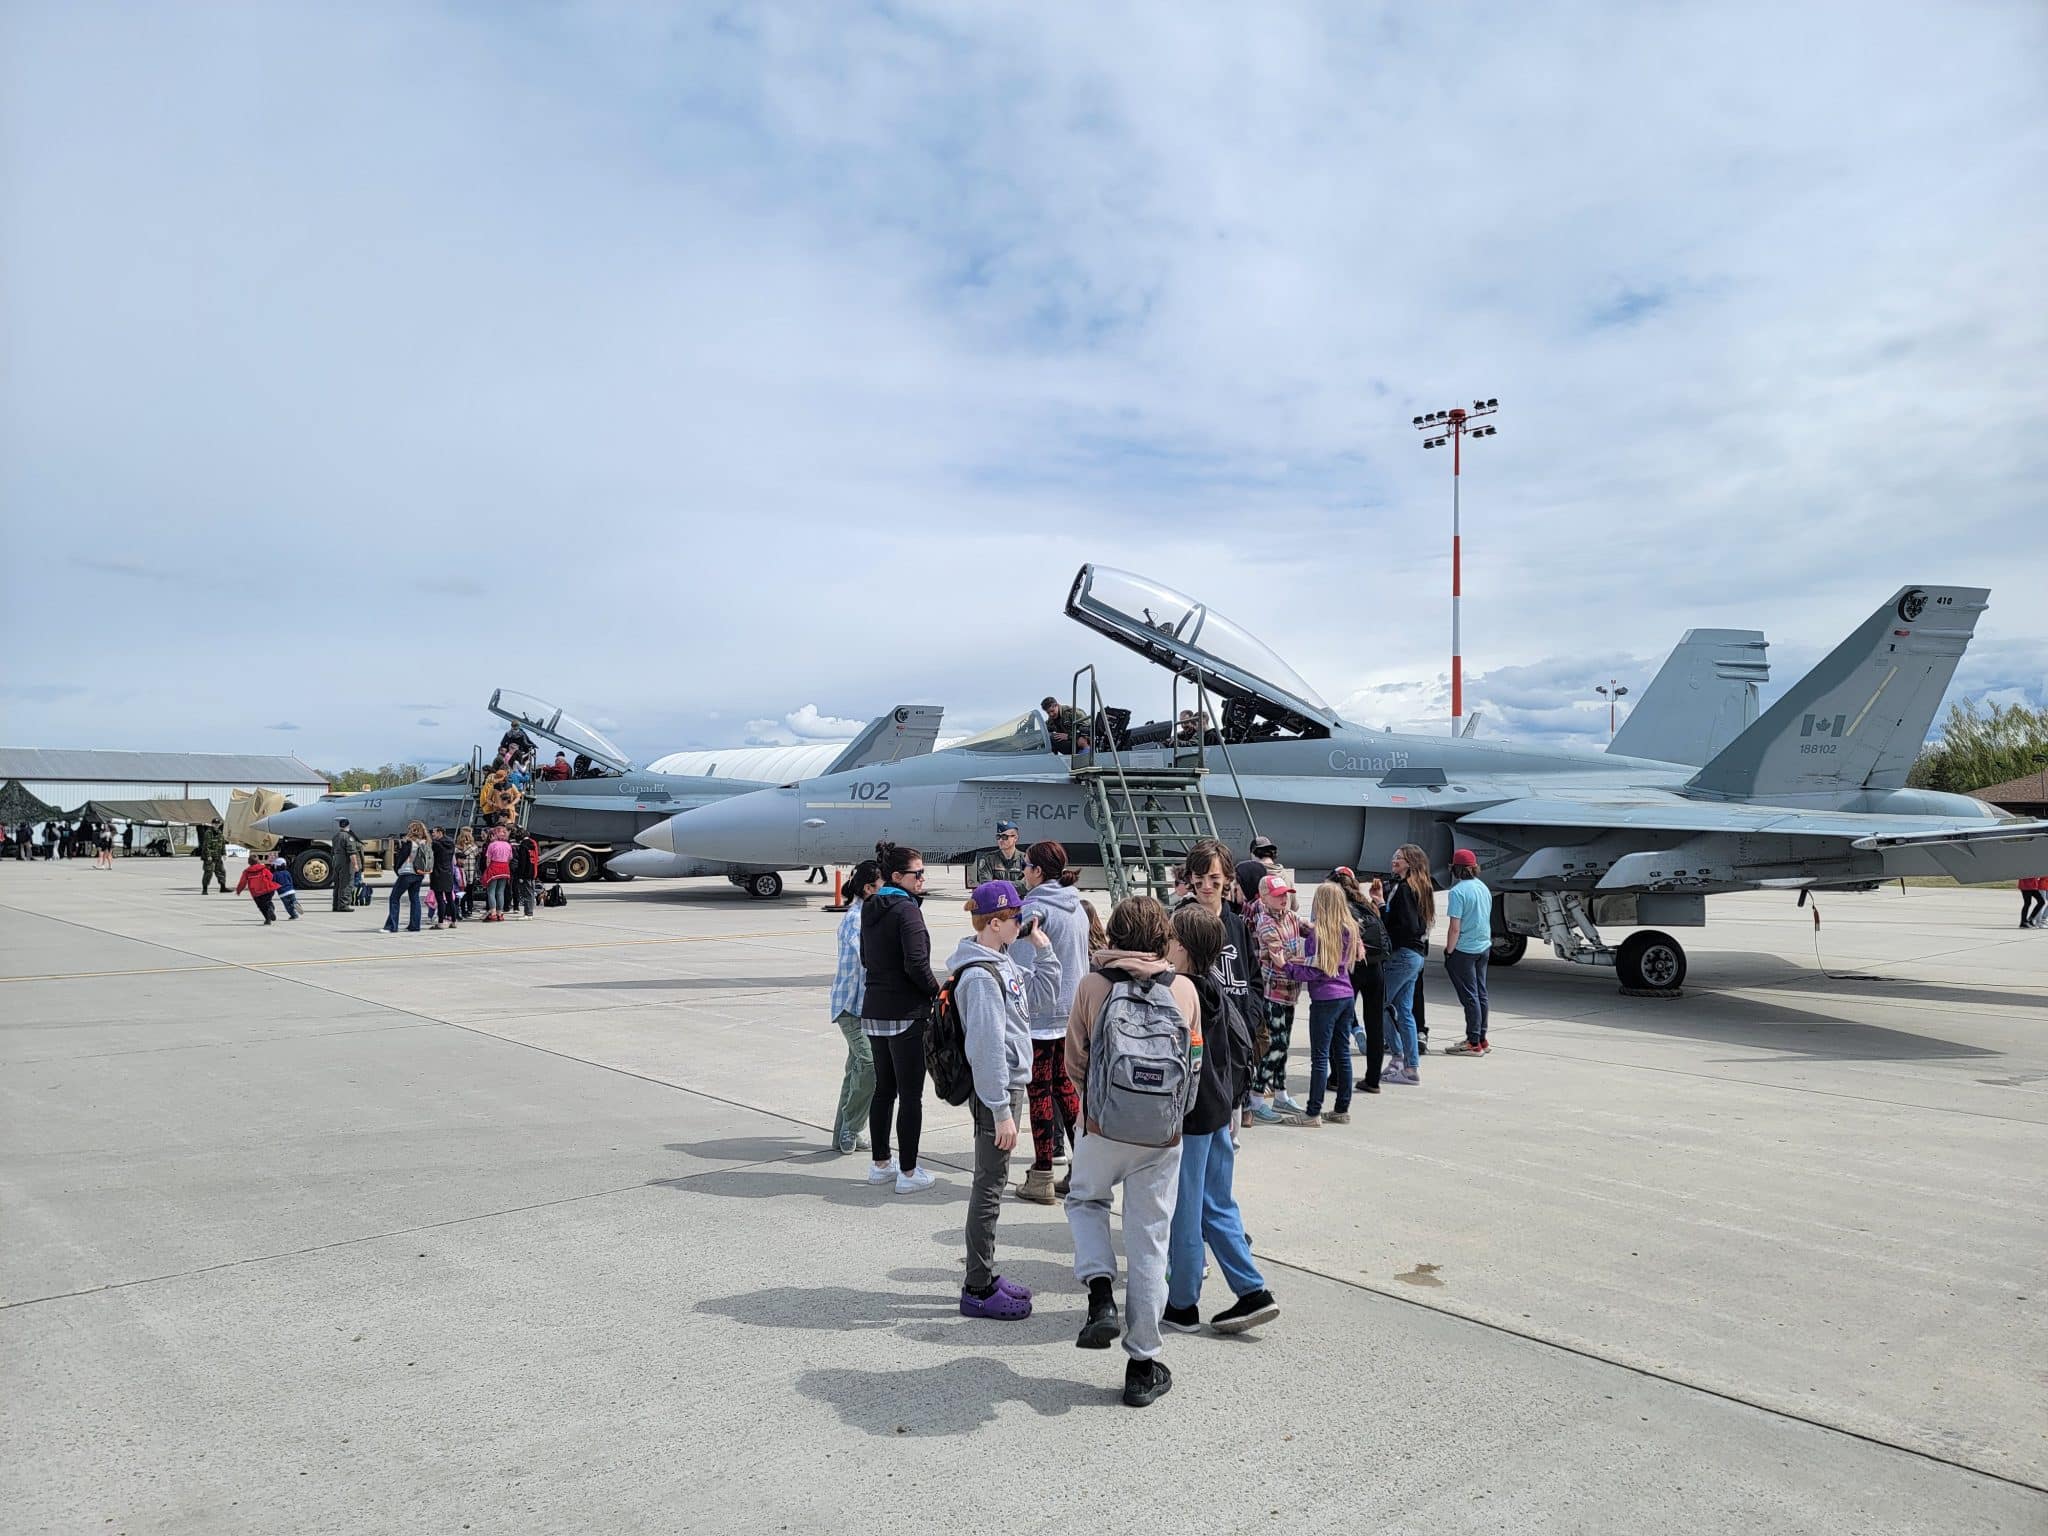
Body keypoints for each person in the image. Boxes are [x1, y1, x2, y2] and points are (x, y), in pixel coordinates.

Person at [1064, 895, 1201, 1408]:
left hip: (1101, 1126)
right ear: (1163, 938)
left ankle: (1100, 1293)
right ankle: (1142, 1366)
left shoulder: (1092, 985)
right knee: (1148, 1241)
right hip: (1160, 1136)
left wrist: (1098, 1106)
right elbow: (1194, 1062)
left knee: (1086, 1202)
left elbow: (1074, 1060)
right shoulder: (1183, 989)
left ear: (1114, 935)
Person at [1160, 903, 1279, 1337]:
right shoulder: (1216, 988)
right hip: (1219, 1110)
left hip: (1192, 1117)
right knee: (1218, 1203)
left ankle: (1182, 1304)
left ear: (1183, 947)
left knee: (1185, 1211)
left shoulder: (1179, 991)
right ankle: (1252, 1289)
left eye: (1171, 938)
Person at [947, 879, 1060, 1320]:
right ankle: (977, 1286)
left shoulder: (1003, 961)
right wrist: (1000, 1111)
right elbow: (987, 1048)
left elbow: (1042, 997)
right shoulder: (980, 977)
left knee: (992, 1185)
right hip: (997, 1091)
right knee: (989, 1188)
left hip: (1008, 1087)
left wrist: (1044, 952)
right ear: (994, 923)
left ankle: (986, 1274)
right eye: (1015, 917)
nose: (1021, 923)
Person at [860, 842, 941, 1193]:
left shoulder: (870, 907)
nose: (922, 879)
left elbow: (866, 958)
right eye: (917, 873)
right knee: (910, 1095)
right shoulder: (907, 911)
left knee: (884, 1090)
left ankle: (881, 1164)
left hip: (875, 1010)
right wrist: (937, 993)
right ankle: (908, 1172)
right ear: (897, 876)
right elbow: (916, 963)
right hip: (906, 1012)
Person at [1010, 840, 1087, 1203]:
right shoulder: (1077, 905)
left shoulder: (1034, 909)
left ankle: (1042, 1173)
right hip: (1071, 1012)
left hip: (1041, 1016)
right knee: (1066, 1089)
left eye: (1025, 865)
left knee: (1039, 1092)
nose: (1022, 871)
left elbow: (1021, 967)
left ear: (1038, 871)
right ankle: (1082, 1168)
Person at [1278, 882, 1362, 1126]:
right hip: (1346, 995)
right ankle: (1341, 1108)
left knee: (1320, 1057)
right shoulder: (1350, 929)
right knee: (1342, 1053)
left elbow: (1314, 972)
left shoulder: (1319, 935)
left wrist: (1286, 966)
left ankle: (1312, 1112)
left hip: (1325, 998)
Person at [828, 860, 882, 1154]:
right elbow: (868, 958)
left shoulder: (867, 915)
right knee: (869, 1065)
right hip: (850, 1007)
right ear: (869, 888)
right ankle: (852, 1127)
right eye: (883, 886)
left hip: (863, 1008)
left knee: (855, 1070)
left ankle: (842, 1134)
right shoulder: (856, 919)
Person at [1247, 873, 1307, 1123]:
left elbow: (1307, 928)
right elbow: (1280, 957)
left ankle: (1281, 1094)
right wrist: (1311, 963)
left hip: (1291, 991)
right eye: (1278, 895)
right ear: (1264, 897)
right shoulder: (1266, 923)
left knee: (1284, 1045)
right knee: (1276, 1045)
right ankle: (1256, 1098)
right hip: (1274, 992)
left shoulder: (1290, 917)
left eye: (1285, 895)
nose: (1284, 899)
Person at [1330, 868, 1388, 1093]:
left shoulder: (1339, 907)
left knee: (1340, 1023)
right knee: (1375, 1025)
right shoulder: (1368, 906)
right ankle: (1373, 1080)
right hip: (1375, 968)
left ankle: (1337, 1077)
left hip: (1351, 969)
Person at [1383, 843, 1435, 1085]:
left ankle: (1398, 1056)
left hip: (1403, 955)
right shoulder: (1420, 887)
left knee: (1379, 1005)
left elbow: (1408, 925)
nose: (1394, 860)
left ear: (1410, 863)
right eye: (1394, 856)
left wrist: (1381, 911)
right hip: (1415, 956)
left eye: (1400, 858)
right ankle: (1411, 1068)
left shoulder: (1405, 889)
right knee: (1404, 1011)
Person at [1441, 848, 1494, 1054]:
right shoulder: (1483, 887)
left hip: (1464, 949)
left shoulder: (1457, 892)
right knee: (1481, 994)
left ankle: (1473, 1042)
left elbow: (1455, 927)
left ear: (1455, 869)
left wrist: (1449, 951)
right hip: (1483, 947)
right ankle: (1481, 1038)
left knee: (1469, 996)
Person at [384, 821, 429, 933]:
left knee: (394, 898)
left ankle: (392, 926)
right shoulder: (425, 843)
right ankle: (415, 925)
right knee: (415, 899)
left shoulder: (409, 843)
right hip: (419, 874)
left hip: (407, 872)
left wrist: (397, 869)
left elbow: (401, 857)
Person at [972, 821, 1028, 888]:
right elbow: (987, 886)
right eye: (998, 836)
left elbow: (1027, 885)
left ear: (1015, 838)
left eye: (1004, 837)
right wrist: (1014, 885)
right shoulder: (988, 859)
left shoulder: (1025, 859)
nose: (1000, 840)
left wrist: (1000, 884)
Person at [233, 851, 280, 924]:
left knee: (261, 906)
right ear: (258, 861)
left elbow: (242, 882)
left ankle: (268, 919)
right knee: (268, 902)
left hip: (256, 892)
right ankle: (271, 909)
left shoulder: (247, 872)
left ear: (249, 862)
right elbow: (270, 876)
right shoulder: (264, 868)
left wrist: (238, 890)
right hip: (268, 889)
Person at [427, 826, 458, 929]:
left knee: (440, 899)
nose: (432, 834)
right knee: (450, 898)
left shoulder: (436, 844)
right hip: (448, 872)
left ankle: (441, 922)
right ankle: (454, 921)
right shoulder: (451, 843)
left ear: (440, 832)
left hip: (438, 873)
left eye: (434, 832)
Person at [482, 827, 514, 922]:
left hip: (494, 866)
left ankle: (493, 913)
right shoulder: (508, 845)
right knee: (500, 891)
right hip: (505, 867)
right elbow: (510, 858)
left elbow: (488, 860)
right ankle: (500, 913)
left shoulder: (492, 845)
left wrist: (487, 869)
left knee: (491, 891)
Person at [330, 819, 361, 912]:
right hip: (346, 863)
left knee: (338, 884)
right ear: (348, 825)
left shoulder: (336, 836)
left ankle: (336, 905)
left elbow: (333, 851)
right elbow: (352, 853)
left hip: (337, 861)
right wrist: (355, 865)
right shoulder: (348, 837)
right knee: (346, 884)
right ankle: (343, 905)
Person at [513, 828, 541, 919]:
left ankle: (528, 913)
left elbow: (523, 862)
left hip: (525, 873)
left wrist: (520, 875)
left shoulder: (523, 845)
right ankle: (530, 912)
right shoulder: (533, 843)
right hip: (533, 870)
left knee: (526, 893)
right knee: (531, 893)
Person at [198, 820, 229, 895]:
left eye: (218, 824)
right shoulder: (208, 833)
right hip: (210, 857)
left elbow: (222, 844)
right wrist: (208, 855)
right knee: (208, 872)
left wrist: (224, 854)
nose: (216, 825)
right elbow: (206, 845)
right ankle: (205, 889)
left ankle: (223, 887)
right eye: (215, 824)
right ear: (212, 824)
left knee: (221, 871)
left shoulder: (220, 833)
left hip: (218, 856)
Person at [454, 828, 479, 918]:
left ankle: (461, 909)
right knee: (470, 892)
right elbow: (477, 857)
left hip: (460, 874)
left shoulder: (456, 849)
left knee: (460, 892)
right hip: (471, 873)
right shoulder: (474, 848)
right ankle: (469, 909)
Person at [269, 854, 301, 919]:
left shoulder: (275, 874)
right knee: (293, 899)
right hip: (291, 890)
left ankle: (294, 915)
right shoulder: (287, 872)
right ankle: (295, 903)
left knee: (288, 905)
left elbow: (273, 883)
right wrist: (291, 887)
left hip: (282, 893)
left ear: (276, 866)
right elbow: (291, 880)